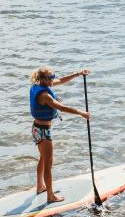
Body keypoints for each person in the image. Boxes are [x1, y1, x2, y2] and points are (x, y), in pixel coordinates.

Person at [29, 66, 90, 203]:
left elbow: (61, 80)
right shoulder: (45, 95)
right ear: (44, 79)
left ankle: (40, 186)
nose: (53, 79)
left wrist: (77, 73)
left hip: (37, 128)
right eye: (51, 77)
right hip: (43, 132)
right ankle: (50, 196)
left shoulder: (38, 85)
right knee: (48, 163)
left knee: (43, 159)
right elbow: (61, 107)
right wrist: (81, 113)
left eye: (53, 76)